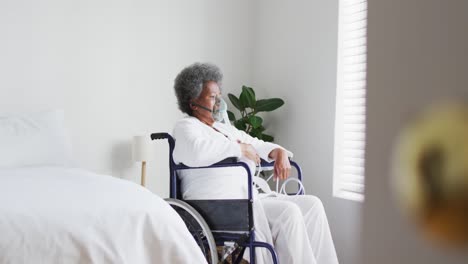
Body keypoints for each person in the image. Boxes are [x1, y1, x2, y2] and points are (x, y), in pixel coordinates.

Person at [172, 62, 339, 264]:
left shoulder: (224, 129)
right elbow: (196, 151)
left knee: (312, 204)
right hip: (217, 205)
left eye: (219, 96)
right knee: (289, 213)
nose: (218, 102)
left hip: (247, 200)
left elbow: (255, 144)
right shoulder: (185, 127)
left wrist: (278, 152)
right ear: (193, 102)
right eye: (212, 97)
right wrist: (239, 149)